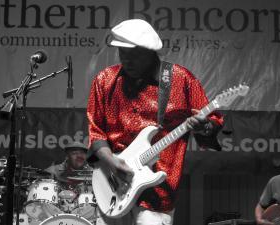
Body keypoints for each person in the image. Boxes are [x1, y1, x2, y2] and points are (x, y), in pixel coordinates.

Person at [87, 19, 223, 225]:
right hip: (112, 185)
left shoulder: (181, 79)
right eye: (122, 54)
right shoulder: (104, 80)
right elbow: (96, 131)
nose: (127, 61)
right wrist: (112, 162)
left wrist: (205, 126)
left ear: (150, 52)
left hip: (158, 190)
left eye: (133, 55)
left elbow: (212, 121)